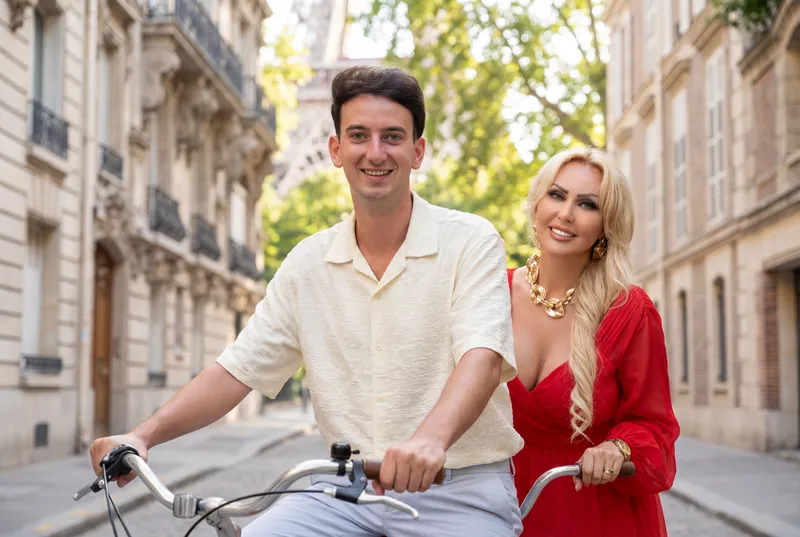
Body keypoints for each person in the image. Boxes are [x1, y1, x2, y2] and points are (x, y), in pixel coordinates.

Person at [88, 66, 524, 537]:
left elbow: (481, 356)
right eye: (358, 135)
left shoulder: (471, 241)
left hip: (457, 492)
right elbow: (238, 369)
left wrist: (430, 442)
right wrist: (142, 435)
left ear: (417, 151)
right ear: (336, 149)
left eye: (392, 137)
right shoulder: (307, 263)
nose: (375, 153)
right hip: (345, 494)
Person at [506, 148, 680, 537]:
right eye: (556, 195)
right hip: (497, 503)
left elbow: (655, 424)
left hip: (595, 510)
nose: (566, 213)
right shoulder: (490, 292)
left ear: (606, 225)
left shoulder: (628, 309)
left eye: (587, 204)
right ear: (537, 203)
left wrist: (616, 449)